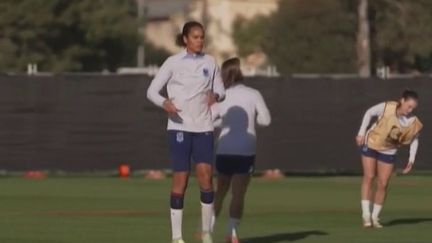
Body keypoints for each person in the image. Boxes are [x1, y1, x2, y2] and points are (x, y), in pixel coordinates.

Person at [147, 21, 225, 243]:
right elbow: (151, 91)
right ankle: (177, 237)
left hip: (203, 127)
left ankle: (207, 234)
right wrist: (165, 103)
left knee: (206, 179)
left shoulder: (210, 62)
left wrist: (216, 96)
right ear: (185, 39)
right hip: (179, 127)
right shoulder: (173, 63)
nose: (200, 41)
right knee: (181, 180)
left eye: (202, 37)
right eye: (195, 37)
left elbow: (220, 89)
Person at [211, 57, 271, 242]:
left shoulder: (221, 96)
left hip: (224, 149)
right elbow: (266, 120)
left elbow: (211, 119)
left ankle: (207, 228)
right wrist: (251, 120)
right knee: (238, 193)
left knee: (220, 191)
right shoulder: (253, 94)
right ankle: (232, 232)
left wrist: (227, 123)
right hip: (245, 149)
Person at [356, 90, 423, 228]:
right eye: (409, 106)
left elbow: (415, 139)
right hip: (371, 143)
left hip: (389, 150)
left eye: (413, 108)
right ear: (402, 100)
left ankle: (375, 217)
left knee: (383, 183)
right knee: (369, 176)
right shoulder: (387, 107)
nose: (410, 110)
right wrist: (361, 132)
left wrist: (411, 159)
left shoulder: (411, 122)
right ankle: (366, 215)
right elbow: (369, 112)